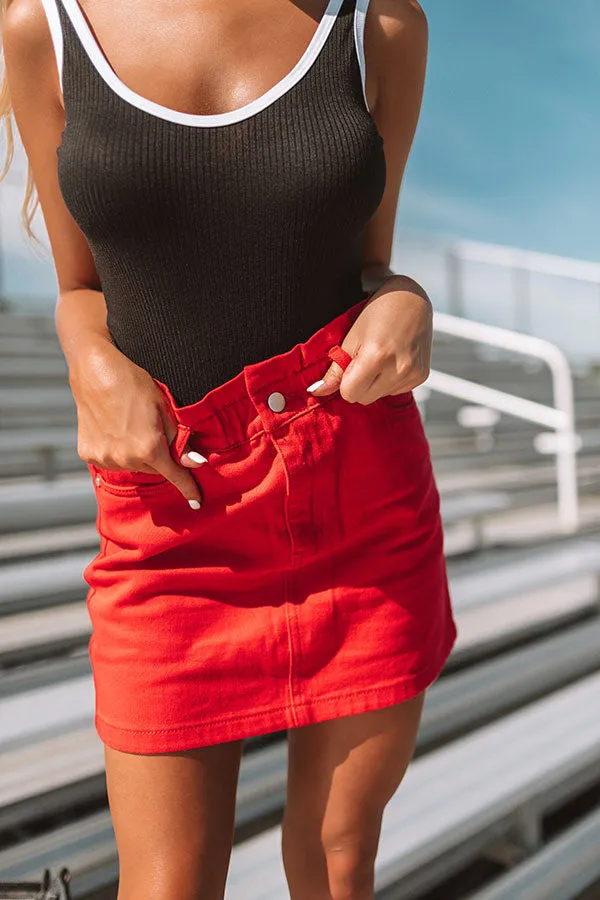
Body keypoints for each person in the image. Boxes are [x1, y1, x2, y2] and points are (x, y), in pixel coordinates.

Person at [1, 0, 457, 896]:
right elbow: (77, 288)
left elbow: (371, 266)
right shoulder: (40, 24)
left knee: (334, 865)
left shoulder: (381, 25)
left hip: (355, 495)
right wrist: (90, 364)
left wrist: (407, 300)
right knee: (169, 884)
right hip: (170, 515)